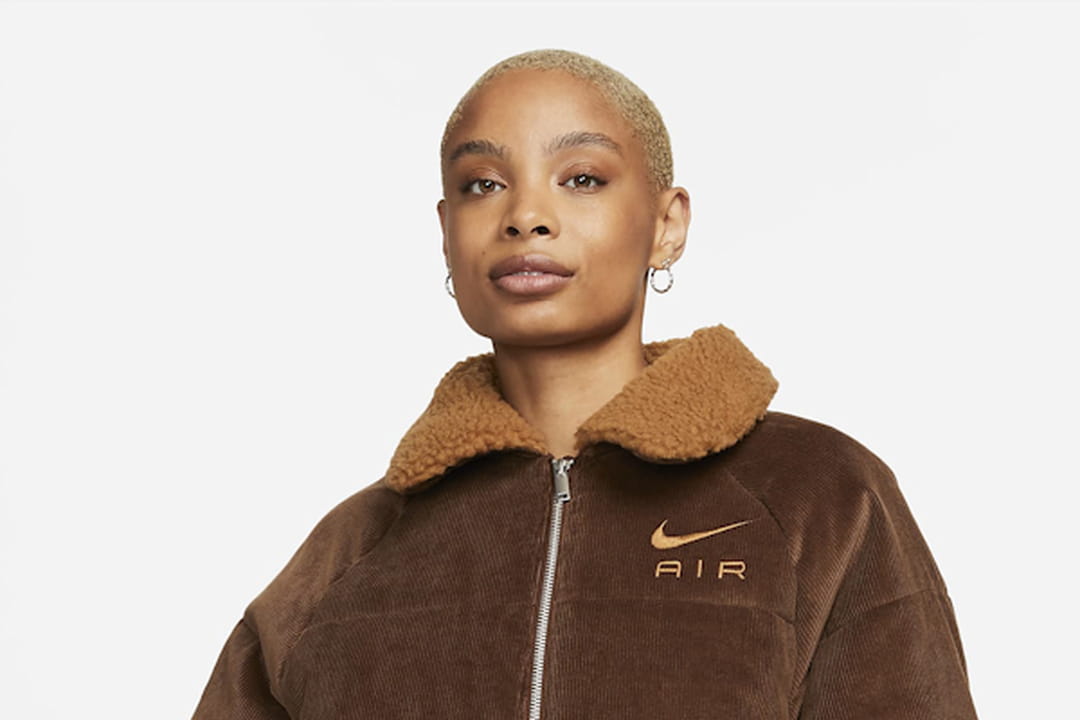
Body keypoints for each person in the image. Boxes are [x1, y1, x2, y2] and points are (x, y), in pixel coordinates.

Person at [192, 48, 978, 719]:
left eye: (581, 178)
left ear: (666, 225)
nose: (526, 215)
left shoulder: (818, 497)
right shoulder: (350, 553)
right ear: (446, 233)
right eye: (482, 184)